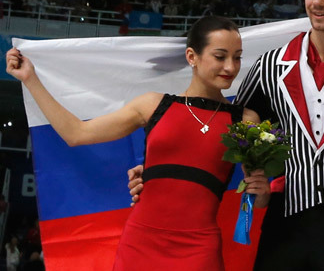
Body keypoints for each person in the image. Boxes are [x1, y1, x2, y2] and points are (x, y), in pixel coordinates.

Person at [128, 0, 324, 270]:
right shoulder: (270, 66)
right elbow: (227, 129)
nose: (317, 1)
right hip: (284, 223)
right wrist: (161, 169)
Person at [5, 16, 271, 270]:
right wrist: (30, 79)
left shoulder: (246, 121)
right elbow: (77, 133)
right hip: (141, 243)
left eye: (237, 58)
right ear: (192, 56)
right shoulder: (152, 104)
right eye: (220, 56)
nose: (230, 67)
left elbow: (255, 199)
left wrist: (262, 191)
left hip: (199, 249)